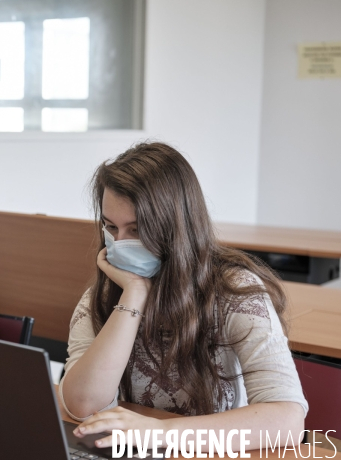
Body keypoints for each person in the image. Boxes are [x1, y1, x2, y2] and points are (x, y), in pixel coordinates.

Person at [60, 142, 307, 451]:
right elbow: (82, 405)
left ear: (176, 228)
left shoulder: (234, 292)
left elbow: (287, 421)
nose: (118, 244)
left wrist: (160, 432)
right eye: (111, 227)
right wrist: (134, 296)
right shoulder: (105, 295)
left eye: (136, 230)